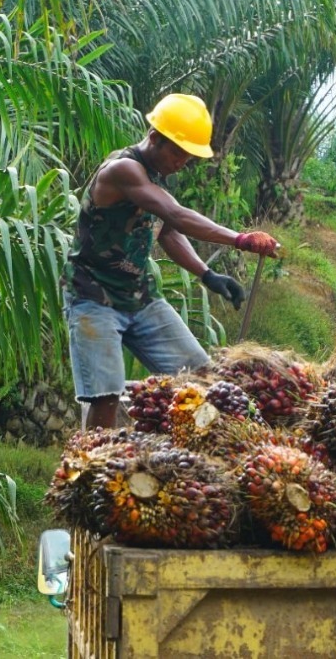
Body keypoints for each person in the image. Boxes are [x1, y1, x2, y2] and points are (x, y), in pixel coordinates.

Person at [68, 93, 281, 429]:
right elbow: (175, 215)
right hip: (94, 299)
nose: (182, 161)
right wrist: (239, 239)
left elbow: (166, 231)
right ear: (154, 138)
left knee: (200, 377)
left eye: (189, 156)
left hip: (141, 298)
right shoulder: (124, 169)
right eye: (178, 151)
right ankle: (93, 467)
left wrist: (207, 274)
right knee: (105, 395)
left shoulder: (155, 177)